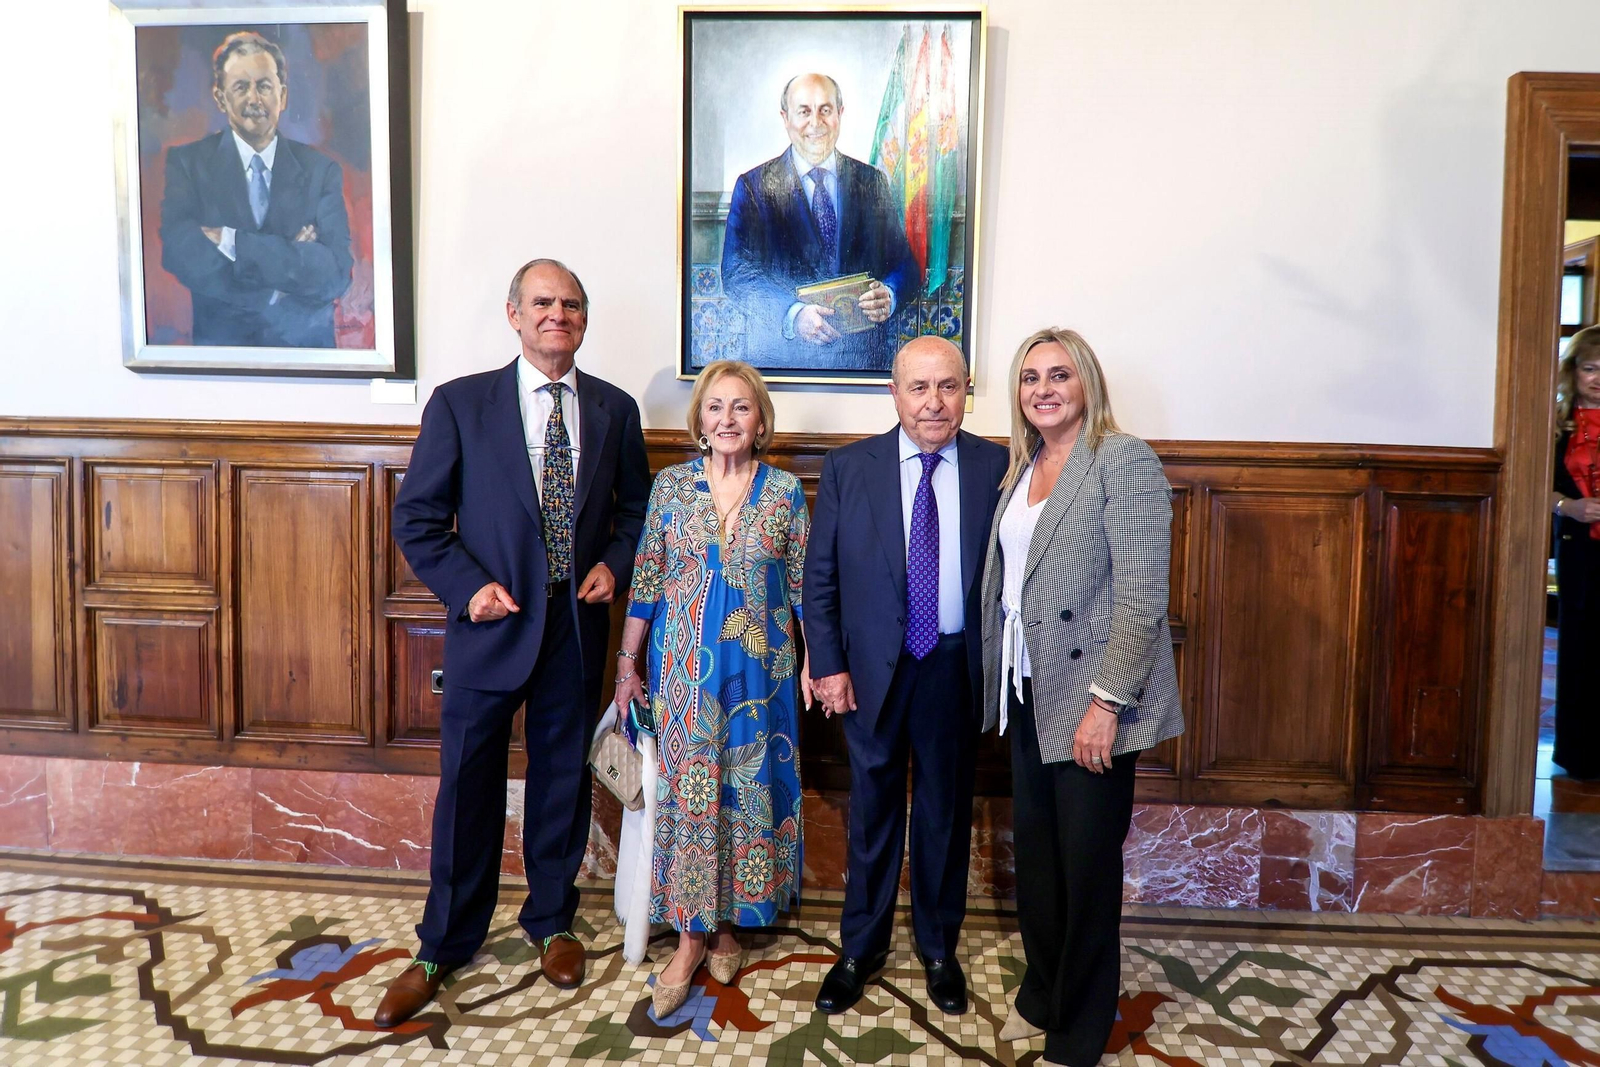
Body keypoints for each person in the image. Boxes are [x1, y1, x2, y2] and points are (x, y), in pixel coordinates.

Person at [378, 259, 650, 1026]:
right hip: (491, 626)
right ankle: (443, 942)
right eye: (542, 302)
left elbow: (636, 510)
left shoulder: (615, 408)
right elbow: (418, 519)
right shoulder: (461, 403)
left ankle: (552, 921)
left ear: (584, 319)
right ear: (514, 314)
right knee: (468, 786)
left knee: (562, 779)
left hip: (574, 628)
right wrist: (468, 588)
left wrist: (614, 563)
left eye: (571, 304)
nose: (557, 314)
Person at [981, 328, 1184, 1065]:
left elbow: (1141, 597)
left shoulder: (1122, 459)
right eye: (1030, 377)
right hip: (1027, 688)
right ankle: (1043, 993)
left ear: (1087, 382)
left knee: (1086, 867)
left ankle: (1081, 1026)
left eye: (1059, 374)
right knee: (1039, 861)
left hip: (1093, 695)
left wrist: (1106, 703)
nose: (1043, 389)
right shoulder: (1025, 463)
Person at [803, 335, 1007, 1016]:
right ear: (894, 393)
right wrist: (828, 664)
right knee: (873, 812)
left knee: (945, 811)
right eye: (918, 387)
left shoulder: (997, 466)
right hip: (870, 671)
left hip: (954, 666)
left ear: (966, 390)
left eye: (948, 386)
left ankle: (939, 949)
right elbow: (820, 577)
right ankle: (860, 948)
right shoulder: (848, 467)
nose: (933, 402)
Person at [612, 360, 811, 1019]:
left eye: (741, 407)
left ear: (761, 421)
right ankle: (691, 939)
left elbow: (805, 586)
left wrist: (817, 660)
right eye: (716, 406)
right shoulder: (671, 488)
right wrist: (627, 663)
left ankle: (730, 925)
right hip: (683, 673)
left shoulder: (784, 492)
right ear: (699, 418)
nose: (728, 419)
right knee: (693, 795)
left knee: (747, 789)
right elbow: (646, 578)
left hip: (763, 675)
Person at [158, 31, 353, 348]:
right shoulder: (188, 165)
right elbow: (180, 254)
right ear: (220, 98)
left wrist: (232, 242)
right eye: (240, 87)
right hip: (223, 354)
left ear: (283, 96)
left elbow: (336, 274)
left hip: (308, 355)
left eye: (264, 86)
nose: (254, 99)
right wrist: (282, 275)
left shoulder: (321, 171)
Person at [720, 73, 920, 372]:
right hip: (784, 366)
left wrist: (890, 294)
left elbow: (904, 264)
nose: (816, 123)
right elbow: (736, 273)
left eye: (825, 110)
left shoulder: (872, 181)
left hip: (864, 365)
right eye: (804, 111)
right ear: (785, 118)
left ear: (840, 114)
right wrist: (793, 315)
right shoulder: (753, 187)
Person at [1552, 325, 1600, 779]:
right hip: (1580, 552)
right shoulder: (1554, 425)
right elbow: (1531, 484)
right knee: (1581, 648)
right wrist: (1569, 507)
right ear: (1574, 372)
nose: (1598, 378)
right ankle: (1580, 755)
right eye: (1590, 368)